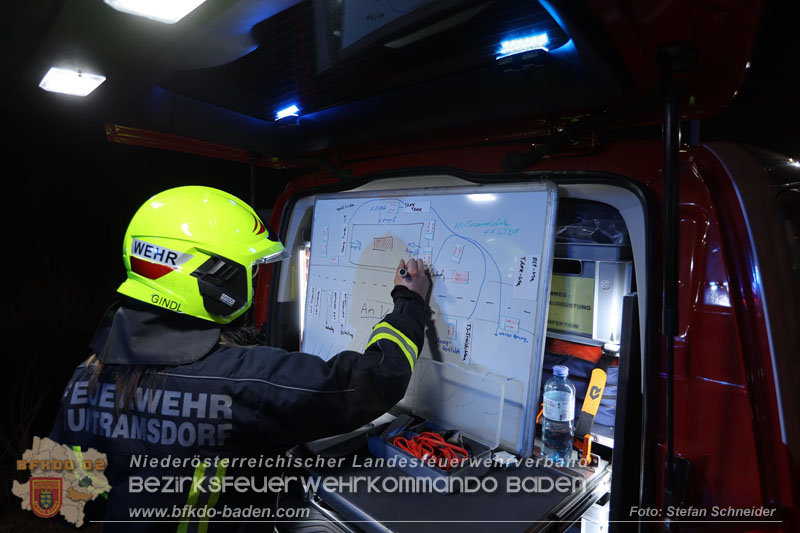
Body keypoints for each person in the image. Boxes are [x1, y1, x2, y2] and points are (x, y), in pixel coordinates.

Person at [49, 185, 430, 531]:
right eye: (247, 270)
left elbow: (63, 497)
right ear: (215, 276)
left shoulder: (84, 379)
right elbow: (374, 379)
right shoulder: (243, 380)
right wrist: (409, 303)